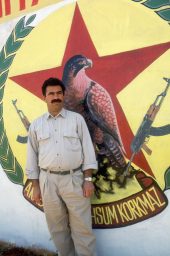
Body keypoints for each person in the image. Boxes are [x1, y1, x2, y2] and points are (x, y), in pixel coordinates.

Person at [26, 77, 97, 256]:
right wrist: (35, 186)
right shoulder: (36, 125)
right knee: (57, 229)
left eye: (59, 93)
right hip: (47, 181)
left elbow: (88, 151)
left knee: (83, 228)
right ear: (44, 97)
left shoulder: (77, 120)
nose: (55, 96)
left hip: (74, 180)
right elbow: (31, 156)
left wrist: (88, 179)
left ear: (64, 95)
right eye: (51, 93)